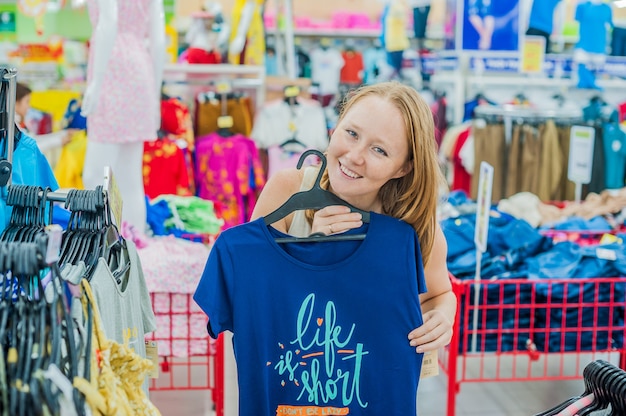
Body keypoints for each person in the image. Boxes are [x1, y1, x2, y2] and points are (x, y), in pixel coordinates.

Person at [250, 81, 456, 354]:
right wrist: (306, 255)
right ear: (335, 127)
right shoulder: (288, 192)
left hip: (370, 383)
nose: (354, 156)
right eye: (351, 133)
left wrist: (443, 316)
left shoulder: (413, 225)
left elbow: (439, 294)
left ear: (403, 167)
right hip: (291, 376)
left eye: (379, 150)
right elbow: (250, 293)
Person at [81, 0, 165, 230]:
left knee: (95, 174)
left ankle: (97, 244)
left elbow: (109, 21)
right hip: (141, 71)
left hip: (112, 69)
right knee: (130, 175)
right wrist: (155, 98)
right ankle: (134, 242)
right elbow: (159, 42)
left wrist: (96, 83)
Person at [15, 82, 74, 154]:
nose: (29, 106)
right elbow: (30, 149)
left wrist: (63, 134)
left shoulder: (16, 124)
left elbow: (33, 140)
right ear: (16, 103)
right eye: (27, 102)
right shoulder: (13, 127)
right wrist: (59, 141)